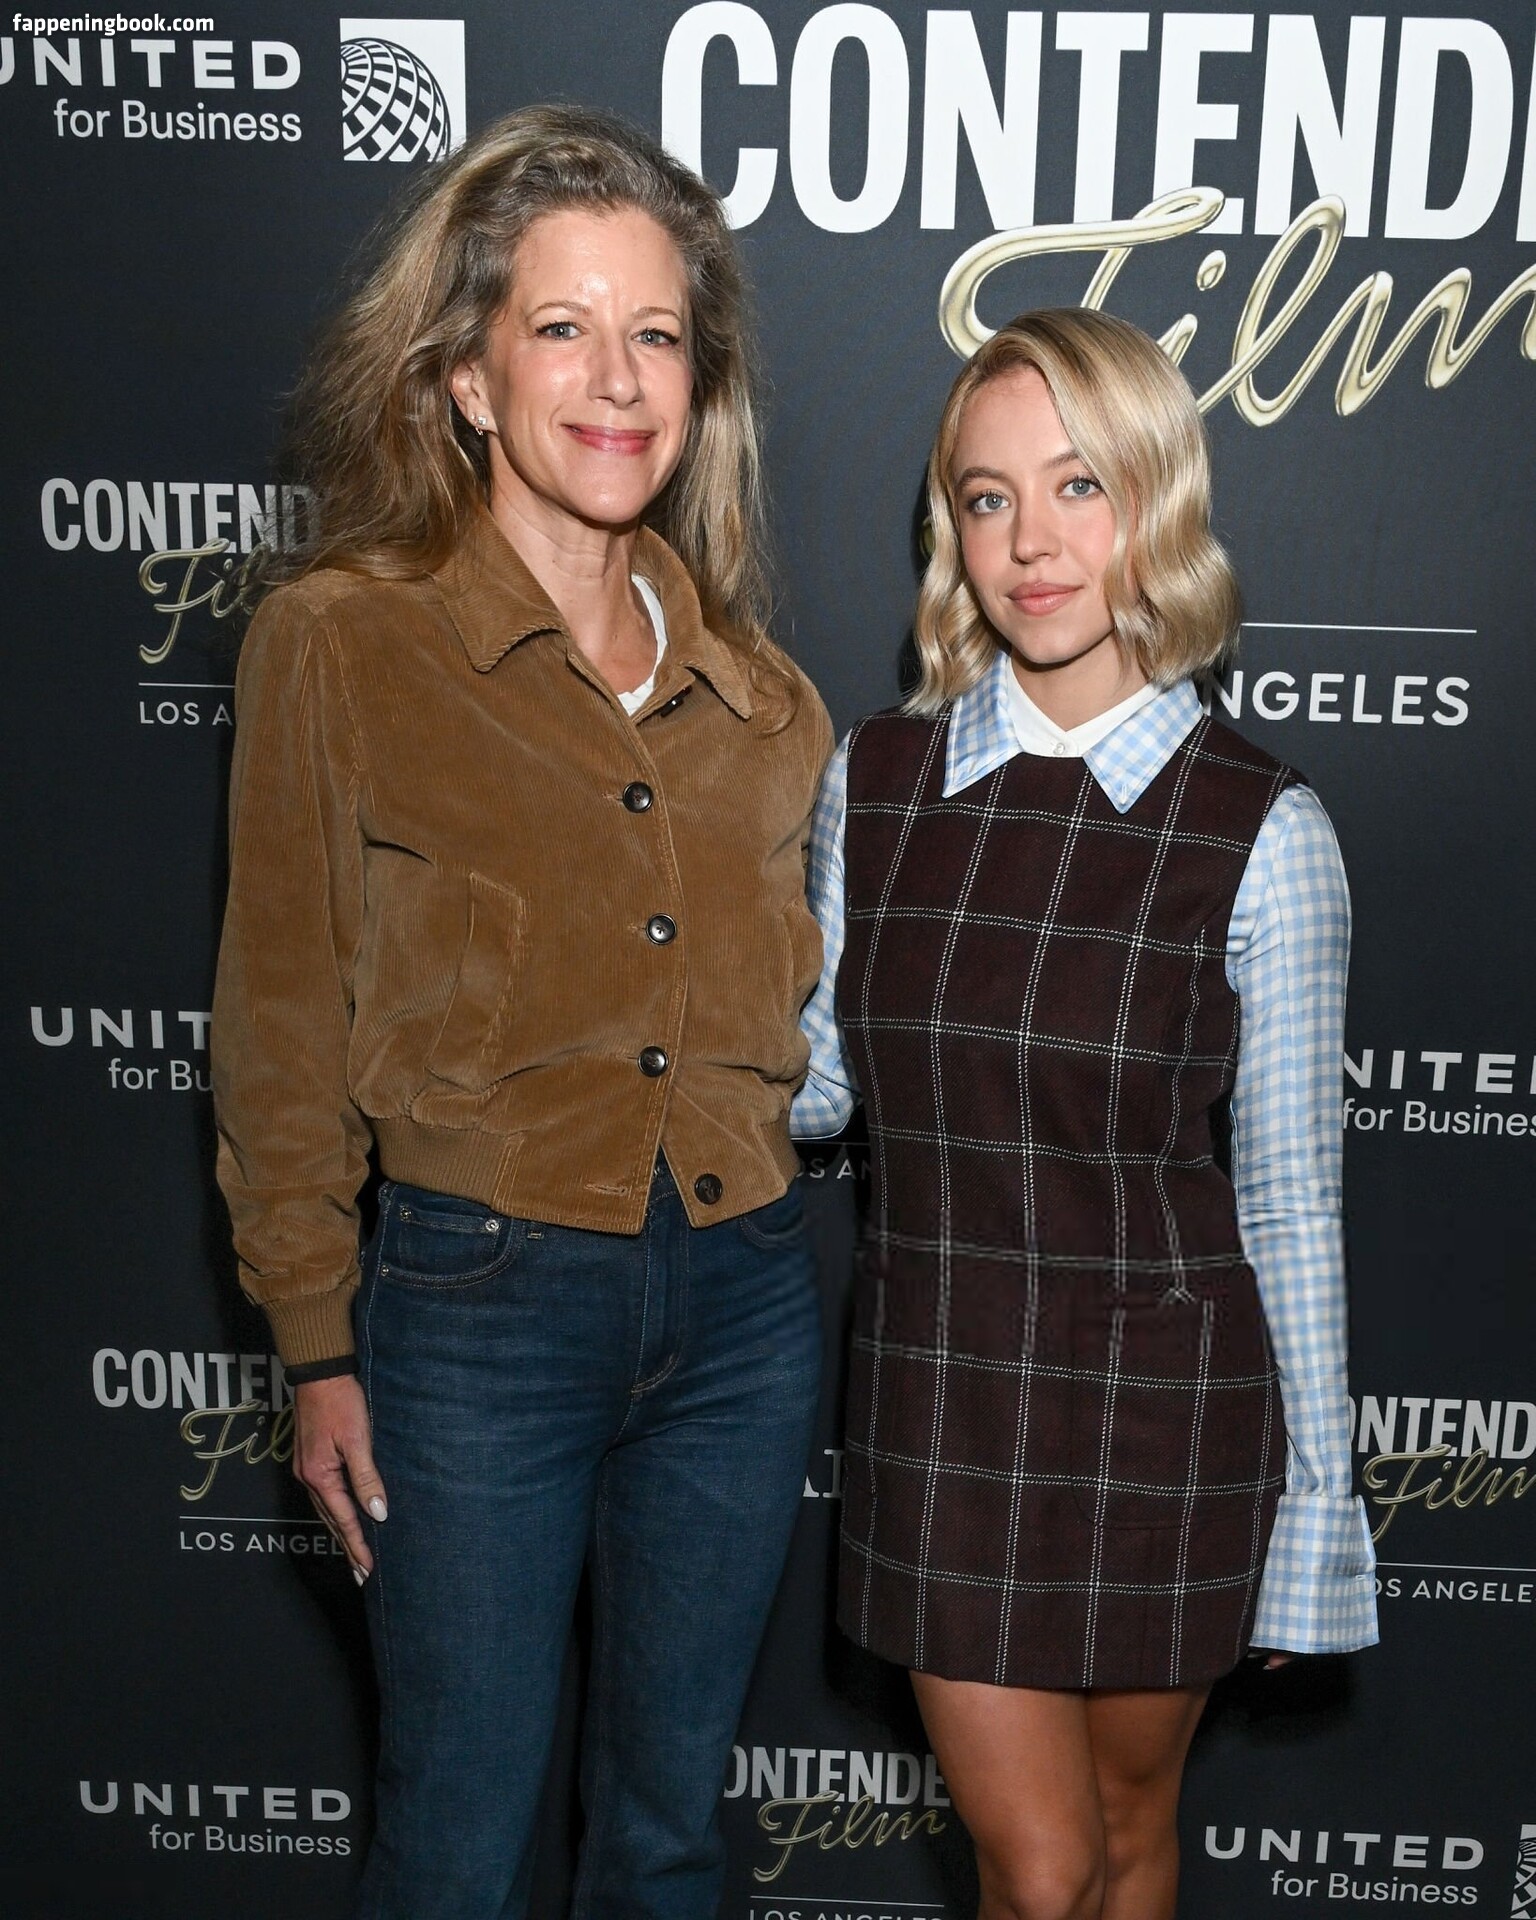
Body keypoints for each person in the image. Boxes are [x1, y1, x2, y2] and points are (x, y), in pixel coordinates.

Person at [211, 106, 832, 1920]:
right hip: (475, 1316)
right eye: (562, 327)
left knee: (667, 1833)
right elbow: (277, 1019)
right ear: (469, 379)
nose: (617, 379)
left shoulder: (769, 703)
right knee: (459, 1842)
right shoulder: (343, 643)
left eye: (657, 335)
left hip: (743, 1305)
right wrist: (314, 1342)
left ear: (701, 384)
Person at [793, 307, 1377, 1920]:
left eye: (1077, 488)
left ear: (1155, 502)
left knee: (1127, 1838)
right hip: (943, 1394)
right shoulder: (876, 781)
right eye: (987, 499)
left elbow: (1288, 1201)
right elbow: (821, 1085)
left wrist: (1316, 1513)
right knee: (1042, 1873)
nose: (1030, 544)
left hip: (1167, 1415)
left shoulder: (1265, 829)